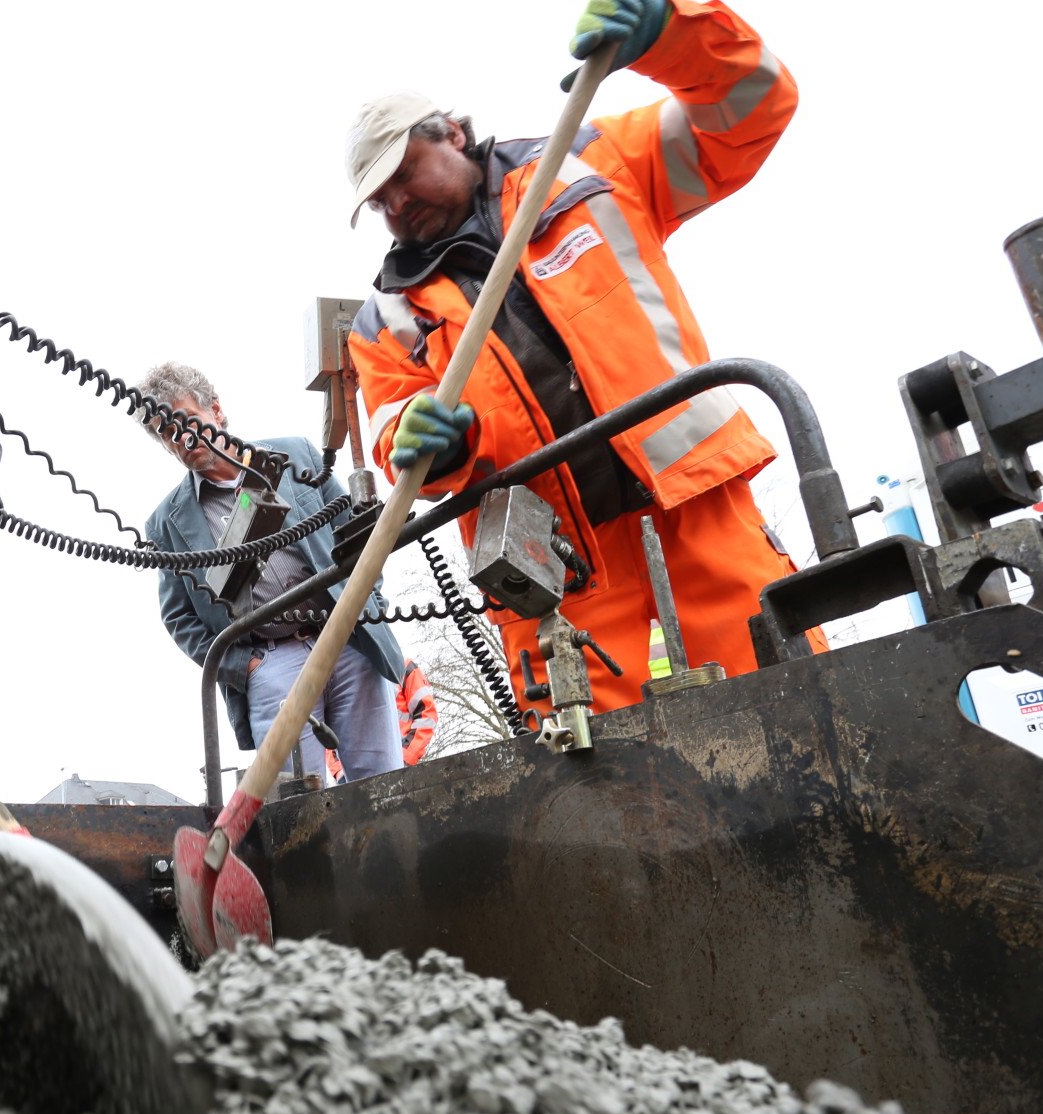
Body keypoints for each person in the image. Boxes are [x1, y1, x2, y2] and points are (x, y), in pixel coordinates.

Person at [344, 0, 821, 716]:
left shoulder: (586, 164)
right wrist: (423, 438)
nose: (398, 205)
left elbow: (751, 108)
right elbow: (392, 432)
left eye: (404, 174)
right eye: (379, 200)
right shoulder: (384, 319)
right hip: (554, 574)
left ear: (454, 133)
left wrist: (675, 35)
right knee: (593, 789)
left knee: (800, 707)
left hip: (695, 510)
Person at [139, 362, 405, 783]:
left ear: (216, 410)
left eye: (186, 421)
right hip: (271, 663)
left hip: (346, 637)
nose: (182, 439)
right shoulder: (167, 522)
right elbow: (179, 619)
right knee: (297, 805)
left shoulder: (295, 455)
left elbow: (357, 533)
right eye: (167, 434)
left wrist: (367, 607)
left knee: (384, 783)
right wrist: (246, 666)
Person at [326, 655, 438, 781]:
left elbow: (426, 715)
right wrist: (339, 770)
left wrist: (406, 756)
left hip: (397, 764)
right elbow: (327, 729)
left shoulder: (402, 666)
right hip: (353, 773)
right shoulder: (341, 673)